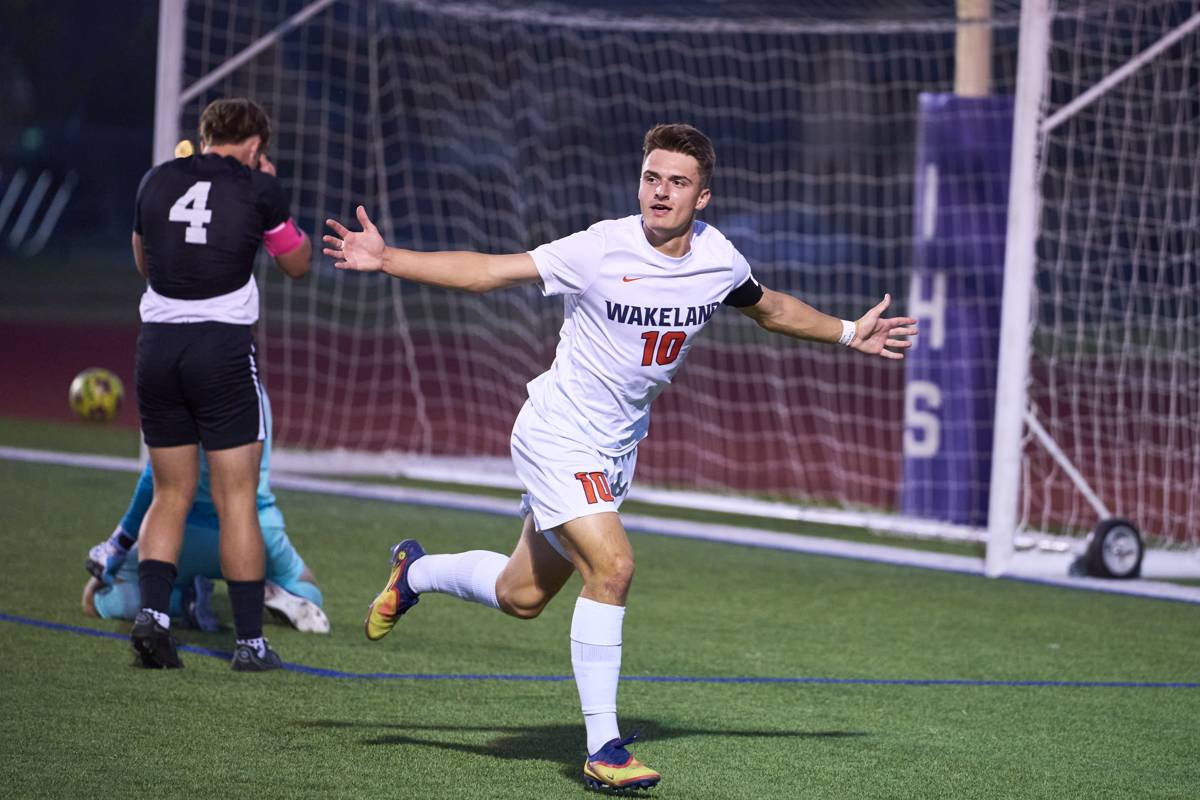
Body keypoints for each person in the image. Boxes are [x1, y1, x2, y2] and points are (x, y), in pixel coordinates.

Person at [323, 123, 917, 789]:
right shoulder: (600, 248)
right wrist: (390, 259)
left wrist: (847, 332)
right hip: (557, 434)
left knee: (522, 596)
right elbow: (491, 272)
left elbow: (769, 307)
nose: (660, 192)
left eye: (677, 182)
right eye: (651, 178)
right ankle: (603, 749)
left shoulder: (719, 260)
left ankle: (416, 573)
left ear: (703, 197)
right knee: (614, 567)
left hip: (615, 451)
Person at [131, 97, 311, 670]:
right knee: (237, 499)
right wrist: (269, 190)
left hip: (157, 349)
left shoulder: (156, 180)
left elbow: (145, 262)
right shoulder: (259, 187)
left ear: (205, 135)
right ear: (255, 146)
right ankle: (249, 644)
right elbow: (297, 262)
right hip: (221, 351)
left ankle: (152, 617)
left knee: (170, 492)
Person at [83, 392, 329, 636]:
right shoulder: (258, 394)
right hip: (258, 533)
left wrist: (120, 542)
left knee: (96, 595)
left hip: (190, 537)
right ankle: (261, 594)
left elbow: (154, 480)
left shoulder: (186, 395)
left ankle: (186, 602)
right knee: (307, 589)